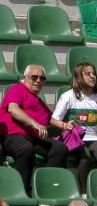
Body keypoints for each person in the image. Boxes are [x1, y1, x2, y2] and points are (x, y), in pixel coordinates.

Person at [1, 66, 70, 194]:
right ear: (25, 78)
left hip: (33, 138)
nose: (38, 81)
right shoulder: (18, 89)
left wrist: (66, 125)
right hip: (12, 136)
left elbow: (51, 120)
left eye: (42, 78)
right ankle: (22, 191)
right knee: (26, 148)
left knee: (60, 148)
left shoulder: (39, 102)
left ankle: (46, 188)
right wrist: (34, 123)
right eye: (34, 77)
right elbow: (13, 109)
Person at [51, 63, 97, 192]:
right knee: (85, 157)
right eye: (88, 74)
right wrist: (65, 125)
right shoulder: (68, 96)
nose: (92, 77)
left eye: (94, 73)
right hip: (76, 138)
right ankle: (84, 191)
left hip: (93, 137)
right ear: (79, 77)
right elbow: (53, 120)